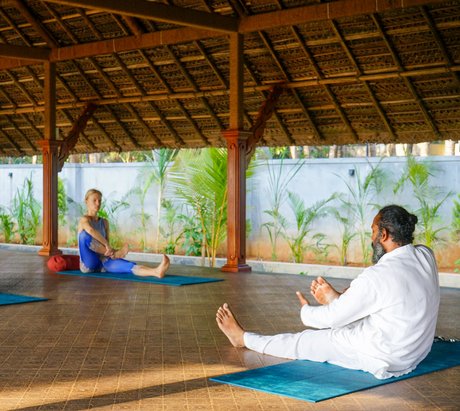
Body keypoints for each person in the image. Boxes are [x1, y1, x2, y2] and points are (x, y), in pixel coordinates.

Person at [216, 205, 440, 379]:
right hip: (416, 351)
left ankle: (243, 338)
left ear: (383, 235)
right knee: (349, 316)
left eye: (373, 232)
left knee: (305, 341)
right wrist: (337, 299)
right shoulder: (425, 255)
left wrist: (306, 311)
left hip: (386, 356)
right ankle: (340, 301)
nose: (371, 240)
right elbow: (389, 299)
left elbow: (330, 320)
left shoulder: (379, 275)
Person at [78, 188, 170, 278]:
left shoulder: (104, 222)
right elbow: (91, 231)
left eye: (99, 200)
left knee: (128, 266)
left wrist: (109, 249)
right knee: (84, 235)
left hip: (103, 260)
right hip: (89, 264)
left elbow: (107, 242)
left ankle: (156, 272)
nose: (98, 203)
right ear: (86, 201)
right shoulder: (84, 220)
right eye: (94, 200)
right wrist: (108, 247)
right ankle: (115, 253)